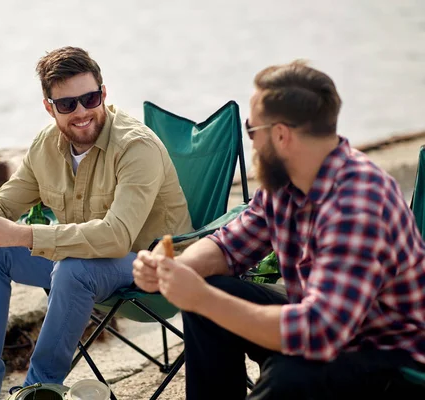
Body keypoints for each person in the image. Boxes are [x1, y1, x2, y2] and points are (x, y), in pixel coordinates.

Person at [133, 60, 425, 399]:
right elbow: (228, 246)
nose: (253, 144)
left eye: (251, 131)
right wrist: (173, 272)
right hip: (323, 336)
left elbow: (318, 333)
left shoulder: (357, 202)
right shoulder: (286, 183)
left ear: (281, 135)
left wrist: (201, 297)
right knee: (210, 293)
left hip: (391, 363)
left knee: (289, 374)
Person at [0, 46, 193, 400]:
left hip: (150, 268)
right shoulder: (46, 145)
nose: (82, 112)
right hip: (84, 265)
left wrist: (24, 234)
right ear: (49, 106)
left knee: (74, 270)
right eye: (67, 104)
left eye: (90, 98)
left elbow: (117, 237)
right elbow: (6, 203)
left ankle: (40, 389)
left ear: (103, 94)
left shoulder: (137, 147)